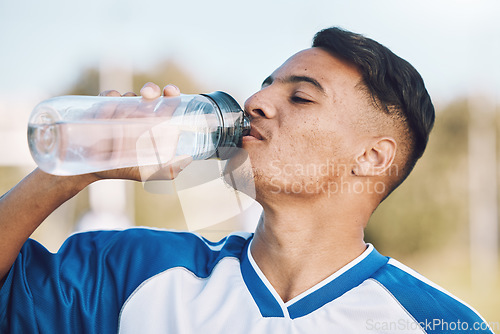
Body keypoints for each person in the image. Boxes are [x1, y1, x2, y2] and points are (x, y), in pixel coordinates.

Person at [0, 27, 494, 333]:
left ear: (371, 157)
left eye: (300, 98)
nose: (256, 104)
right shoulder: (131, 272)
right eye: (264, 85)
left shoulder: (438, 324)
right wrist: (73, 169)